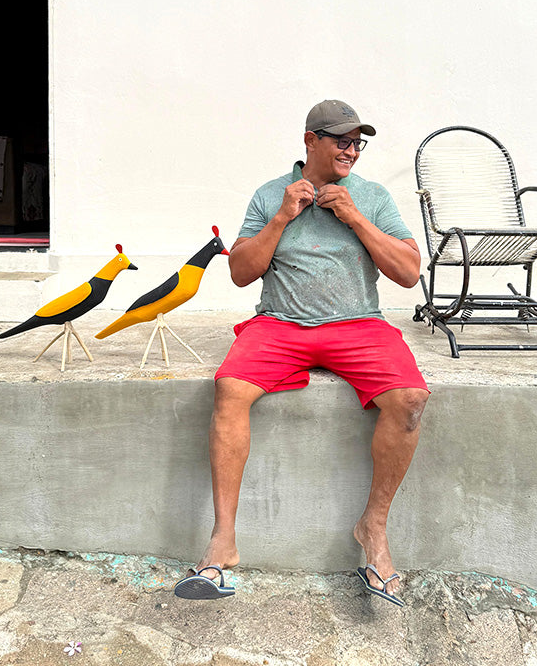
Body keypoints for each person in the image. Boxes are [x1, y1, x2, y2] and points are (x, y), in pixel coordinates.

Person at [174, 100, 429, 606]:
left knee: (410, 400)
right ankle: (222, 542)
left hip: (358, 324)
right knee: (229, 389)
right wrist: (282, 217)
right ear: (311, 140)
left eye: (358, 143)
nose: (351, 151)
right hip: (280, 323)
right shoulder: (271, 194)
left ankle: (373, 528)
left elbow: (408, 272)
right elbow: (240, 272)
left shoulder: (372, 197)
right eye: (342, 141)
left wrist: (355, 217)